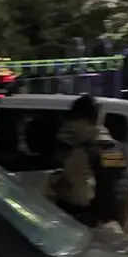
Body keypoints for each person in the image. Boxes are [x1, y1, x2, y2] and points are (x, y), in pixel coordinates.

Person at [49, 95, 101, 226]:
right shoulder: (111, 145)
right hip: (99, 211)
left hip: (77, 209)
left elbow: (67, 172)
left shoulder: (77, 147)